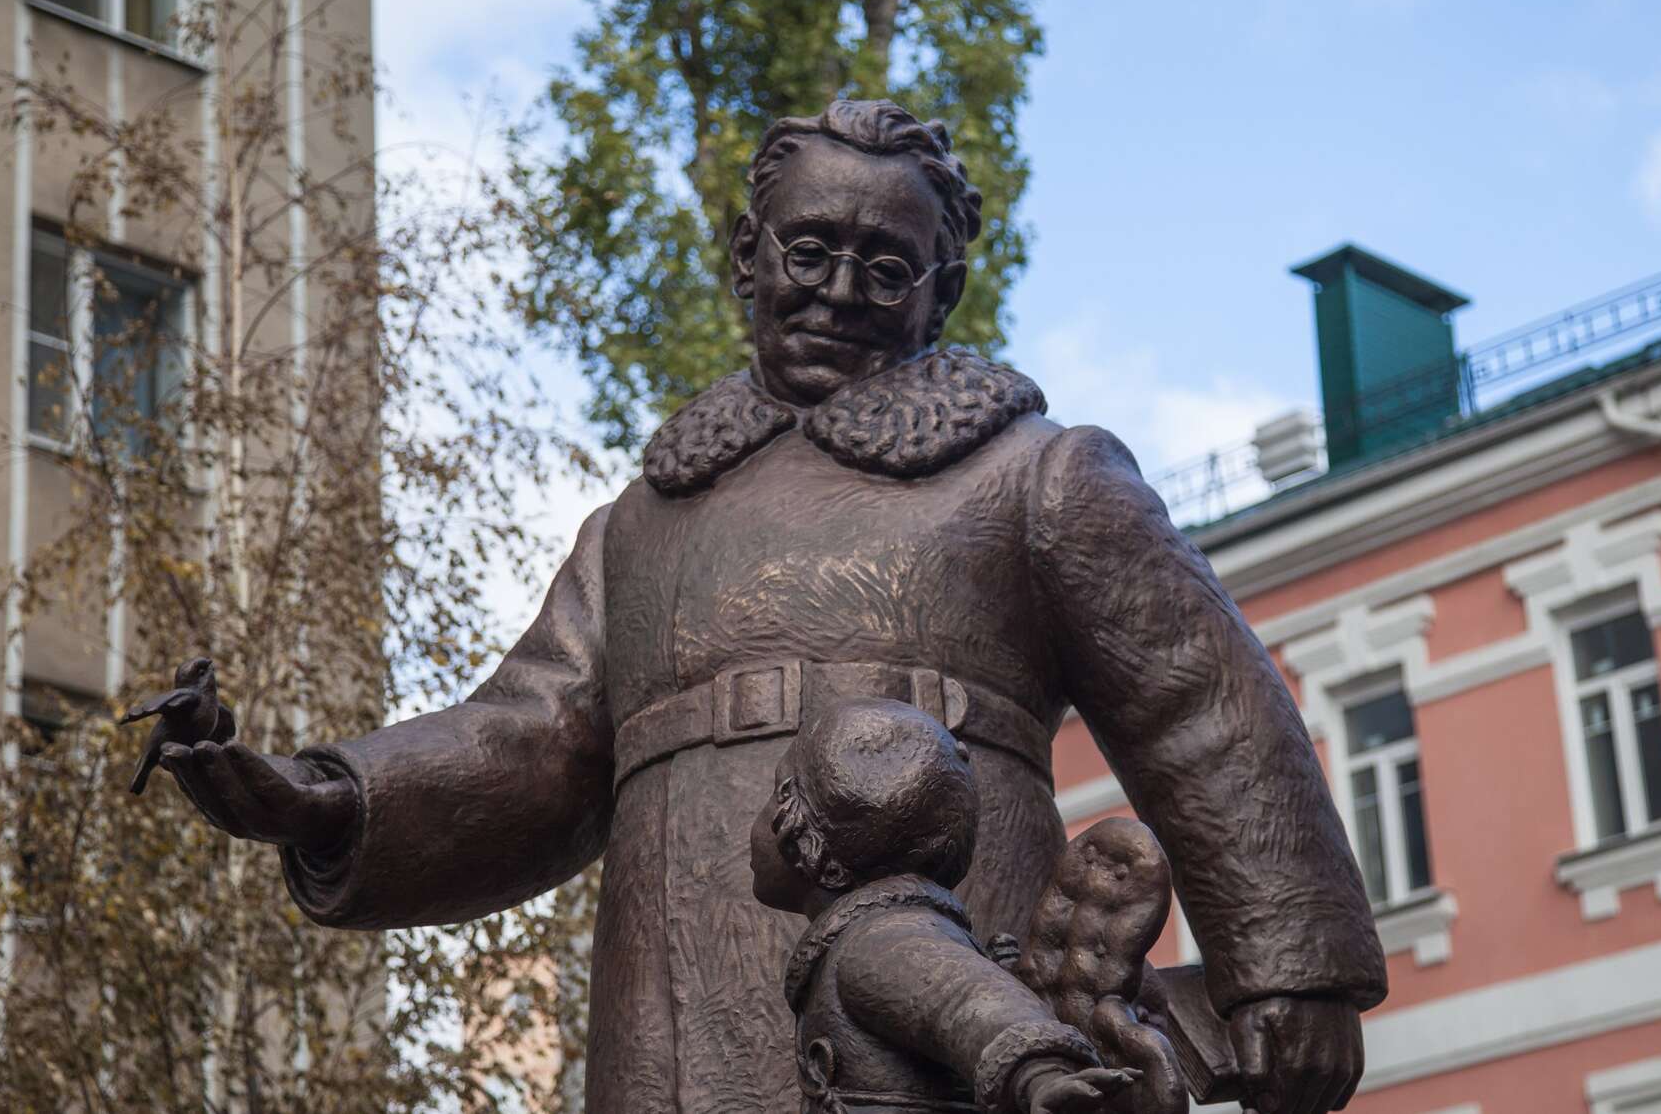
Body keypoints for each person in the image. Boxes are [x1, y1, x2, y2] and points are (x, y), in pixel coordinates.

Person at [152, 99, 1386, 1114]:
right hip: (670, 987)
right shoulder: (642, 525)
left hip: (946, 965)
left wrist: (1293, 969)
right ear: (749, 256)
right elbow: (526, 739)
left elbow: (1201, 708)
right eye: (808, 250)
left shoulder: (1034, 475)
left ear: (938, 290)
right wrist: (322, 793)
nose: (841, 287)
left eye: (886, 265)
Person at [750, 697, 1139, 1114]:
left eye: (777, 794)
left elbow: (968, 1002)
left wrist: (1039, 1076)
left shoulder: (879, 943)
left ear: (810, 846)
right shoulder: (871, 936)